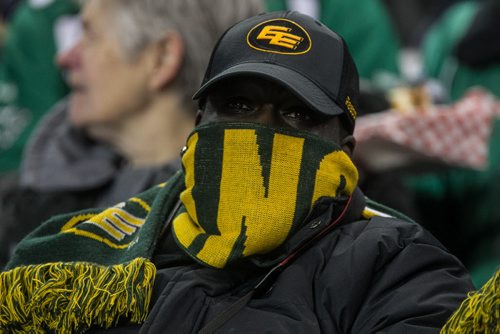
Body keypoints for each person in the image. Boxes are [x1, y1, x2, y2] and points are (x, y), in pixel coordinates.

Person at [0, 11, 474, 333]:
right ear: (200, 123)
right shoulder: (89, 249)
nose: (260, 130)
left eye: (297, 115)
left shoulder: (396, 260)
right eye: (239, 105)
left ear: (345, 149)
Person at [0, 0, 263, 267]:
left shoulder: (241, 240)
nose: (64, 58)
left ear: (161, 59)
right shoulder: (24, 199)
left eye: (89, 35)